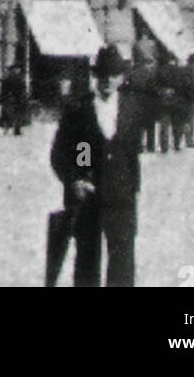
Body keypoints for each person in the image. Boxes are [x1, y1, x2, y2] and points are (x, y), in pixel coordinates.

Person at [49, 43, 143, 288]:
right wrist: (74, 180)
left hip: (121, 197)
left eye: (113, 75)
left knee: (122, 262)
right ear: (95, 76)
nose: (108, 81)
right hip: (88, 198)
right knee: (87, 263)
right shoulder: (79, 109)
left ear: (122, 77)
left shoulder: (131, 108)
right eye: (103, 75)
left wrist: (132, 189)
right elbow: (60, 154)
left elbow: (132, 154)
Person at [125, 39, 160, 153]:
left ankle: (139, 145)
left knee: (138, 124)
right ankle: (150, 145)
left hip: (137, 100)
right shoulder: (152, 72)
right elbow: (155, 86)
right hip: (149, 100)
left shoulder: (133, 71)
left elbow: (128, 85)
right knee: (150, 124)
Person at [0, 61, 28, 136]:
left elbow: (3, 89)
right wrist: (23, 98)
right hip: (17, 99)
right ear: (16, 69)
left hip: (8, 98)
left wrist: (1, 98)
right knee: (17, 114)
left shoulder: (6, 77)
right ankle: (16, 130)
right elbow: (22, 89)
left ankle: (6, 129)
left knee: (7, 115)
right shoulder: (19, 78)